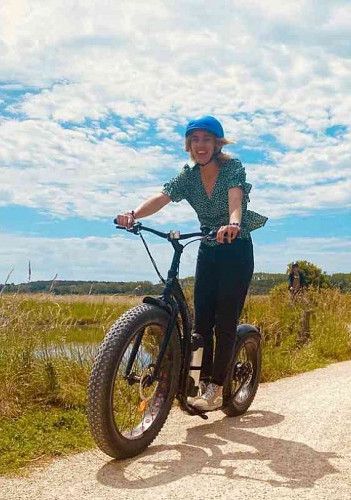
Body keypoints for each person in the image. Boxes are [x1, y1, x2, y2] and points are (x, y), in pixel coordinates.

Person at [115, 116, 267, 411]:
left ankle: (216, 387)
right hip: (208, 249)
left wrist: (232, 224)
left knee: (224, 323)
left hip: (235, 249)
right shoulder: (187, 177)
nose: (201, 145)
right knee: (200, 324)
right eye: (195, 140)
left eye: (207, 139)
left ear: (217, 144)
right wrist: (133, 214)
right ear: (189, 145)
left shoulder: (232, 168)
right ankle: (195, 383)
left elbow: (235, 201)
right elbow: (161, 198)